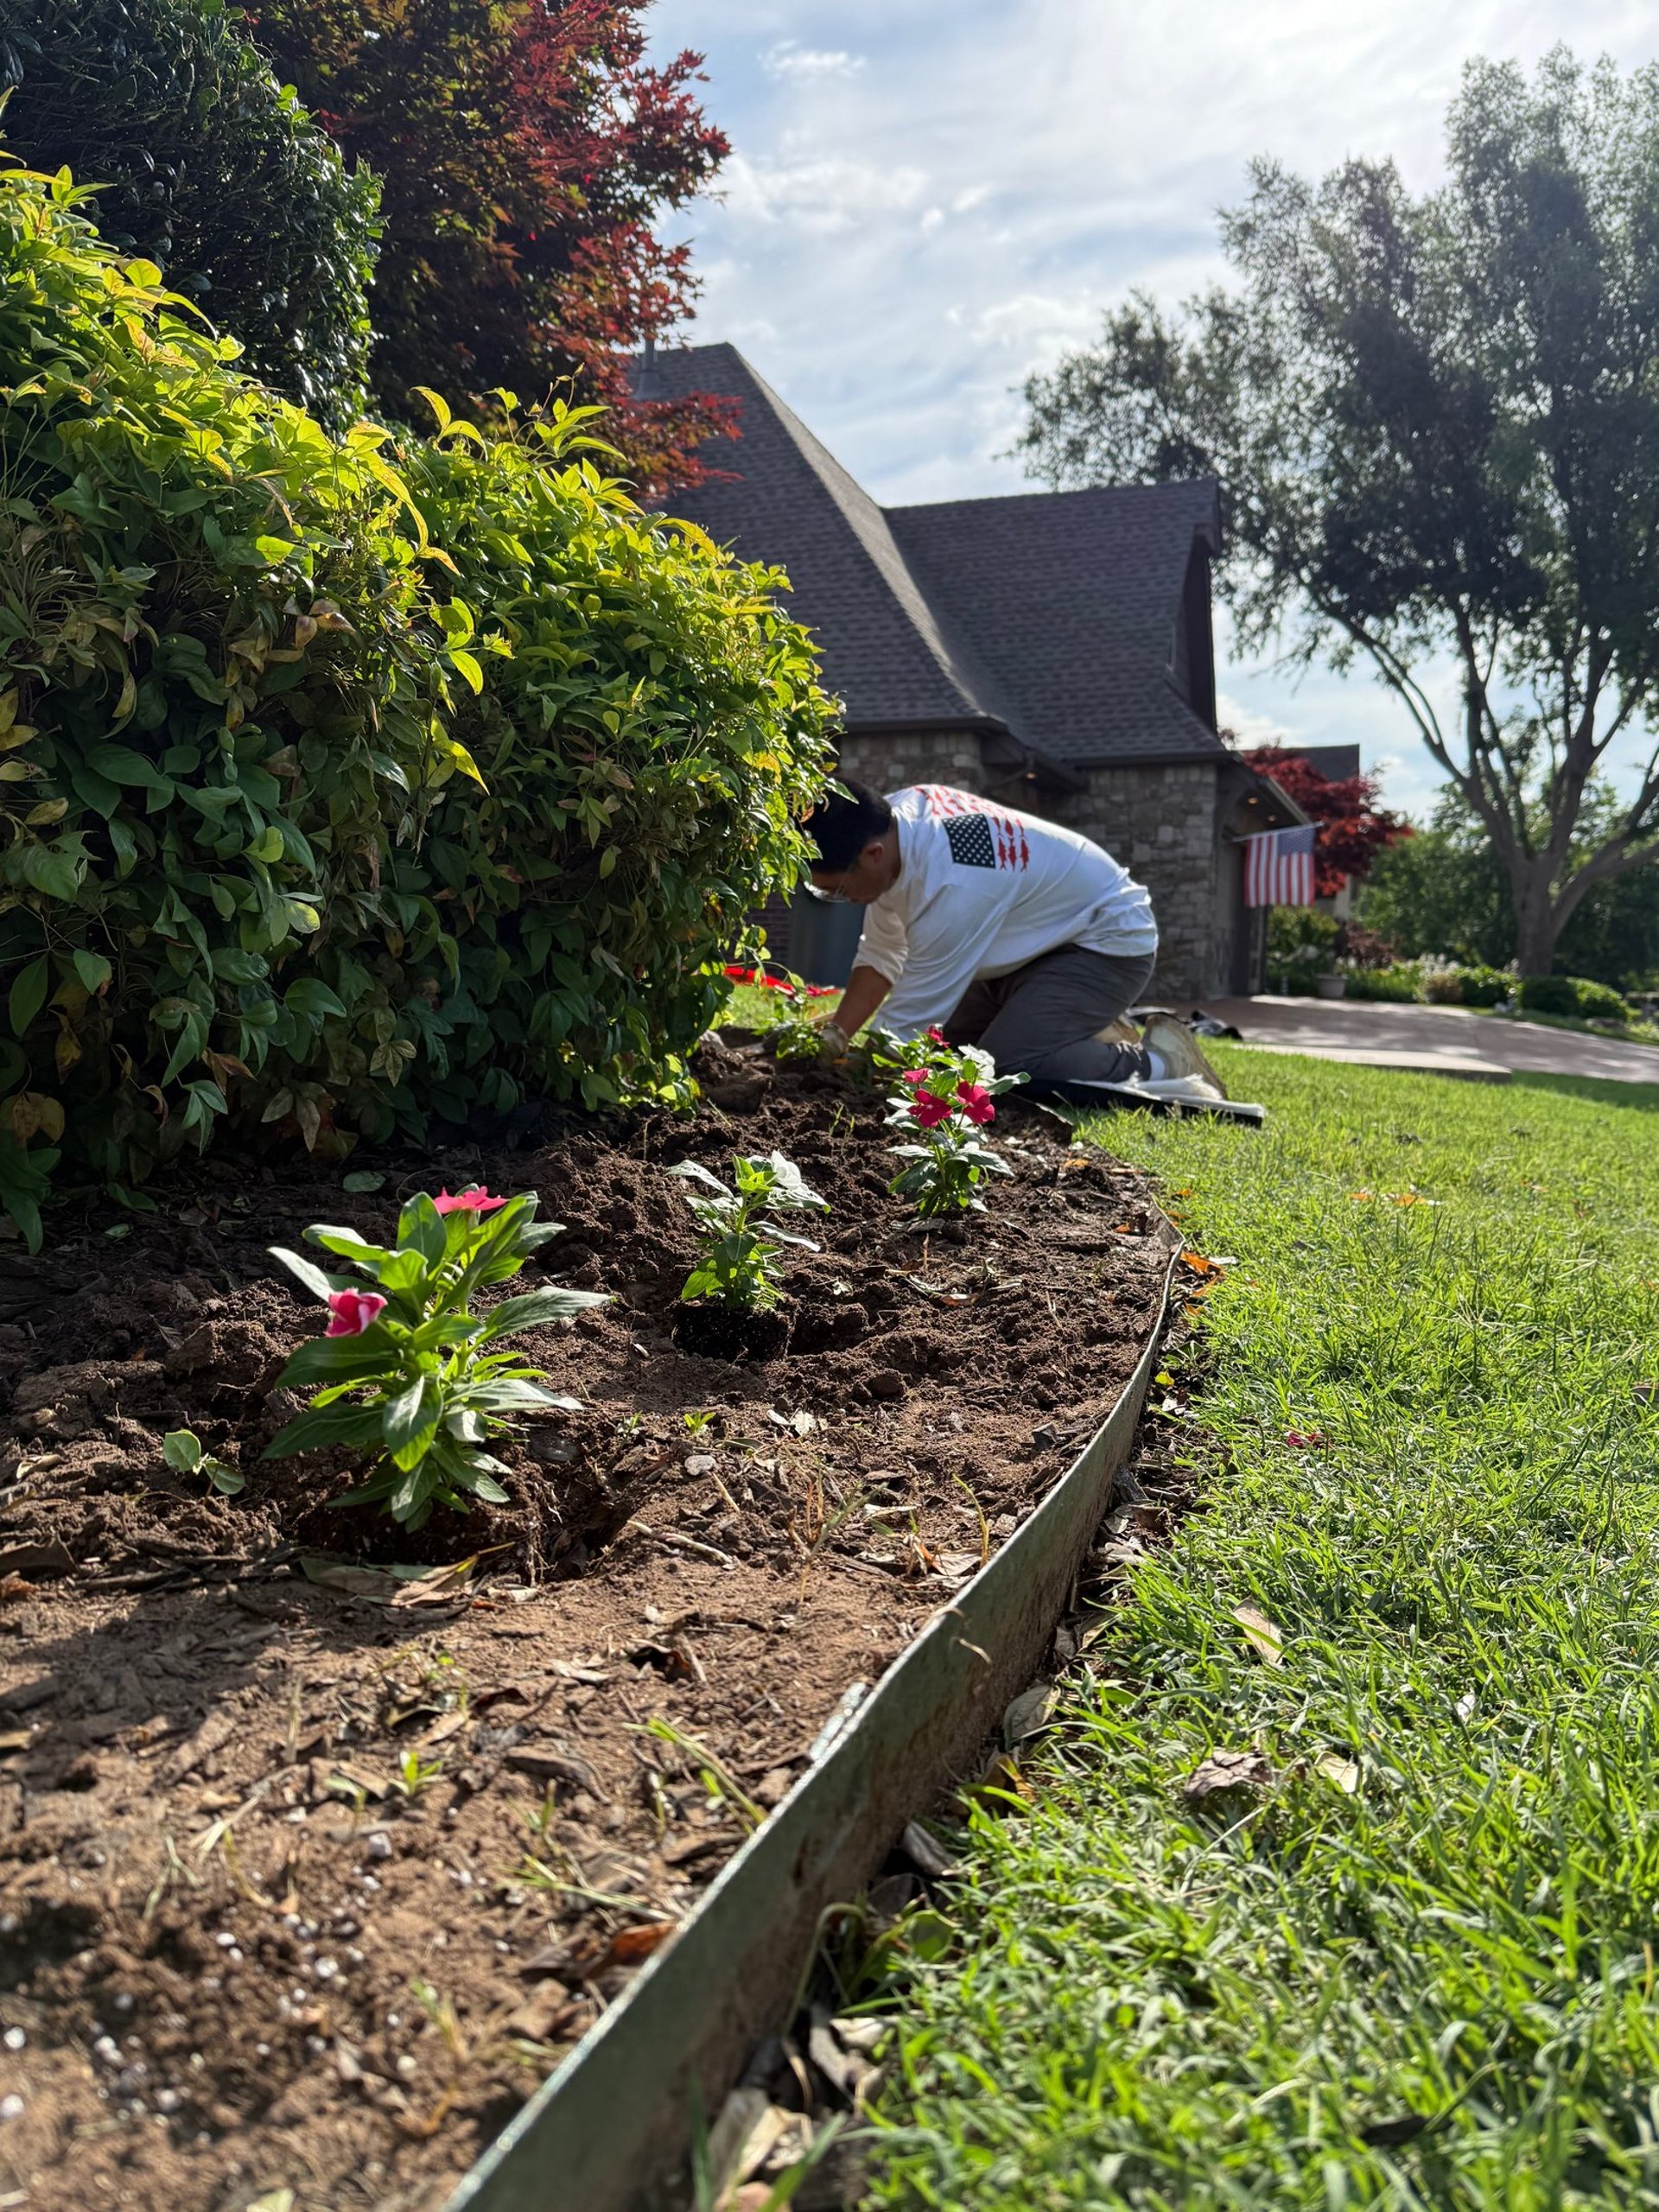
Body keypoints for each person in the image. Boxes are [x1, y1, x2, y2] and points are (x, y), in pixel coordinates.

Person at [802, 780, 1241, 1110]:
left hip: (1106, 944)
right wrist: (837, 1037)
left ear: (873, 855)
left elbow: (908, 1023)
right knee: (951, 1054)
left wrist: (845, 1083)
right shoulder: (892, 824)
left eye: (836, 890)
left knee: (1005, 1067)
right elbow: (881, 954)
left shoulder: (952, 885)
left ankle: (1159, 1062)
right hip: (1032, 942)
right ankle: (1063, 1024)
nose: (842, 900)